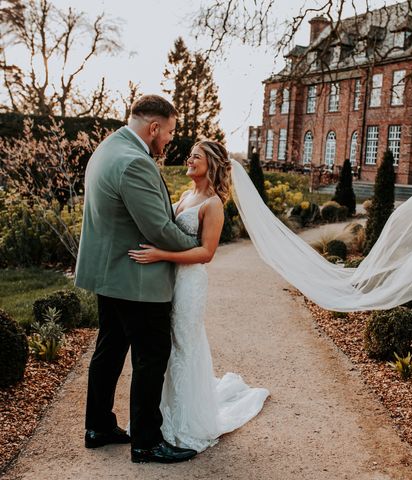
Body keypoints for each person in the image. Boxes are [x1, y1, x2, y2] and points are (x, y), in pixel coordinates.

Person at [75, 95, 199, 464]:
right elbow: (159, 228)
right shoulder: (134, 163)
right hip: (136, 279)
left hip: (110, 273)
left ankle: (98, 425)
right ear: (154, 127)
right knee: (151, 356)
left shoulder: (108, 148)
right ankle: (146, 442)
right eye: (170, 132)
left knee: (110, 349)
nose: (170, 140)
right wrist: (194, 245)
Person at [128, 140, 270, 452]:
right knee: (164, 346)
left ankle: (184, 420)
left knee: (183, 347)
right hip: (168, 281)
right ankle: (158, 416)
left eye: (196, 157)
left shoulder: (214, 204)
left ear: (212, 165)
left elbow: (206, 254)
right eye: (190, 155)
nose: (189, 160)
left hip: (189, 283)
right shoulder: (184, 196)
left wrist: (159, 255)